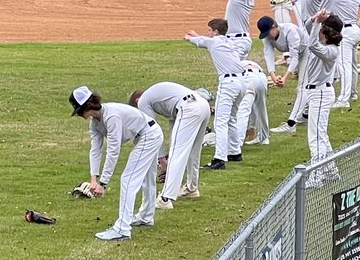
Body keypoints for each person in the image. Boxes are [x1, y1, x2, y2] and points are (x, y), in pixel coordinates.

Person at [70, 86, 163, 241]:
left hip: (149, 135)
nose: (79, 115)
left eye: (79, 111)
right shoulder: (95, 123)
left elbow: (113, 152)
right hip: (146, 134)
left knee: (128, 179)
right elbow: (95, 150)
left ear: (87, 106)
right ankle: (146, 216)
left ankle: (122, 229)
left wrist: (103, 183)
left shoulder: (111, 117)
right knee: (146, 177)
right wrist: (94, 179)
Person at [130, 82, 211, 208]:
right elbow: (173, 120)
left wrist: (162, 160)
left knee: (177, 152)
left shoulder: (142, 101)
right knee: (193, 151)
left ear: (136, 101)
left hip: (188, 107)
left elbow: (151, 132)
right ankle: (192, 188)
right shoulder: (160, 96)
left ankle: (165, 198)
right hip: (202, 105)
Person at [185, 18, 248, 170]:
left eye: (209, 31)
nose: (208, 34)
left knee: (220, 121)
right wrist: (197, 35)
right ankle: (234, 151)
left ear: (215, 31)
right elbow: (205, 40)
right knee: (231, 118)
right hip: (242, 83)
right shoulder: (229, 42)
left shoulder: (214, 42)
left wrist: (189, 38)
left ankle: (219, 158)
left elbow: (201, 42)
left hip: (229, 84)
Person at [315, 0, 360, 108]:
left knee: (344, 66)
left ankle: (344, 99)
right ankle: (353, 93)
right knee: (352, 64)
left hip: (346, 33)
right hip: (355, 30)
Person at [299, 12, 342, 188]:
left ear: (326, 31)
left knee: (315, 137)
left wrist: (317, 22)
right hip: (318, 93)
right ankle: (332, 172)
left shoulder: (330, 51)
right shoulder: (325, 44)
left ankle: (316, 177)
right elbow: (307, 28)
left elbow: (311, 45)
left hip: (321, 94)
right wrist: (315, 19)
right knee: (321, 135)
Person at [258, 15, 308, 134]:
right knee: (306, 87)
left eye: (269, 32)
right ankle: (305, 115)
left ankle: (291, 123)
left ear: (274, 26)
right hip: (298, 55)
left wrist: (285, 78)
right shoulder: (267, 38)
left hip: (307, 52)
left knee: (303, 86)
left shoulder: (290, 30)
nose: (268, 36)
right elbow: (269, 55)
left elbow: (294, 57)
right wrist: (274, 76)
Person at [234, 59, 270, 148]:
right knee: (261, 109)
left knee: (243, 111)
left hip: (247, 77)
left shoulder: (231, 65)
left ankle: (237, 143)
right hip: (262, 77)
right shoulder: (245, 61)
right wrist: (252, 127)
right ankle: (264, 137)